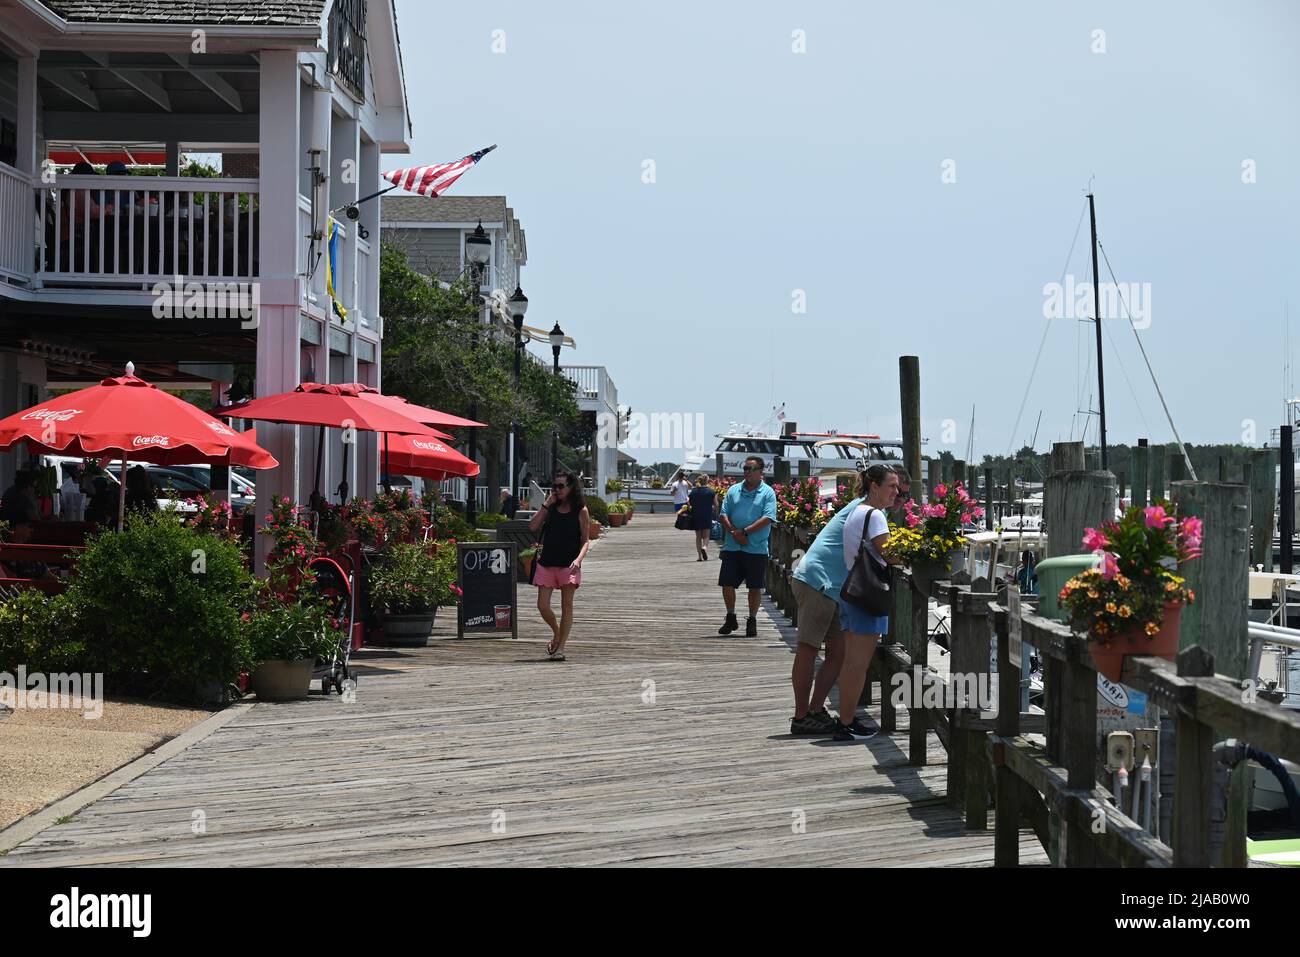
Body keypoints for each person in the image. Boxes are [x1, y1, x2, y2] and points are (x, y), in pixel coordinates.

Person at [787, 485, 867, 734]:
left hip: (832, 587)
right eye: (896, 490)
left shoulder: (868, 509)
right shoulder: (866, 511)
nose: (900, 498)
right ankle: (801, 717)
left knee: (838, 652)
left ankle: (815, 709)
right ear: (876, 487)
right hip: (817, 582)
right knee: (809, 648)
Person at [832, 464, 901, 741]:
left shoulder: (857, 511)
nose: (896, 492)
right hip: (867, 597)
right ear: (875, 487)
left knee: (851, 662)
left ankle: (846, 719)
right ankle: (846, 723)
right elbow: (891, 554)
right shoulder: (876, 516)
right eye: (891, 486)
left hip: (851, 592)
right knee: (858, 665)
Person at [528, 469, 591, 661]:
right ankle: (557, 633)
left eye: (561, 486)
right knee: (542, 605)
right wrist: (546, 504)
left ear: (572, 487)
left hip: (568, 564)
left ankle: (561, 647)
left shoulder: (581, 510)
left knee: (567, 606)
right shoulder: (551, 507)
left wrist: (578, 560)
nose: (557, 490)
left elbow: (586, 540)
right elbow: (532, 527)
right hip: (547, 562)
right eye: (554, 486)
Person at [717, 456, 777, 637]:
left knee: (754, 586)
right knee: (727, 583)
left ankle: (752, 620)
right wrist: (735, 532)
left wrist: (745, 532)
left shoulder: (767, 492)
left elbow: (768, 517)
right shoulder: (734, 490)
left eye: (750, 469)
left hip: (756, 548)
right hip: (732, 546)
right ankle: (730, 616)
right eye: (745, 468)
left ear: (760, 472)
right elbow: (723, 513)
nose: (746, 472)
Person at [687, 474, 715, 561]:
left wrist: (690, 508)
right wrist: (712, 508)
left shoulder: (694, 491)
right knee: (706, 535)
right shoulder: (711, 491)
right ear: (707, 481)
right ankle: (704, 547)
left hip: (696, 515)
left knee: (698, 536)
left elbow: (688, 503)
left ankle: (699, 557)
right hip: (707, 514)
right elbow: (716, 504)